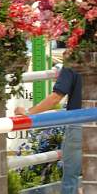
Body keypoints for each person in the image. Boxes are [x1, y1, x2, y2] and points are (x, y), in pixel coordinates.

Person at [14, 66, 83, 194]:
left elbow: (55, 98)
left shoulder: (74, 62)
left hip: (79, 123)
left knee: (70, 177)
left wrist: (29, 113)